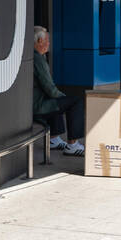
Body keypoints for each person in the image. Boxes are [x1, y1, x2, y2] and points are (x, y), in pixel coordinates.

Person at [33, 25, 85, 155]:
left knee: (59, 100)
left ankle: (53, 139)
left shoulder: (35, 55)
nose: (49, 43)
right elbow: (50, 88)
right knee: (75, 101)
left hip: (35, 103)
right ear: (40, 42)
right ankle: (72, 145)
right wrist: (64, 97)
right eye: (47, 40)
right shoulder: (37, 58)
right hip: (37, 107)